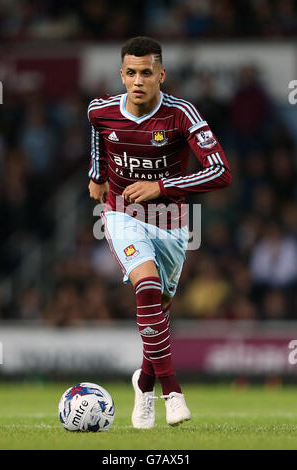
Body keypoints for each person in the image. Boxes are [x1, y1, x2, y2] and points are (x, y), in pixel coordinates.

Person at [88, 36, 232, 428]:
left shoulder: (181, 114)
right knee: (147, 288)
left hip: (171, 223)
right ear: (122, 74)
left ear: (161, 75)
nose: (138, 80)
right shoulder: (100, 110)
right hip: (121, 213)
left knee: (160, 313)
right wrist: (96, 175)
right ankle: (172, 392)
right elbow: (99, 140)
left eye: (146, 73)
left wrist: (163, 186)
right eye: (131, 73)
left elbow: (221, 172)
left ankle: (144, 382)